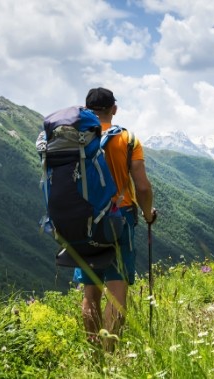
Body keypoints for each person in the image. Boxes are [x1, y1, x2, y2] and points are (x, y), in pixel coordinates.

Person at [74, 87, 156, 352]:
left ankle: (94, 351)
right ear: (114, 109)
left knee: (90, 292)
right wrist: (147, 213)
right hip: (118, 218)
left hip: (82, 222)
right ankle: (110, 356)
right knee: (117, 288)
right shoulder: (127, 139)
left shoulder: (74, 138)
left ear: (86, 109)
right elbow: (142, 187)